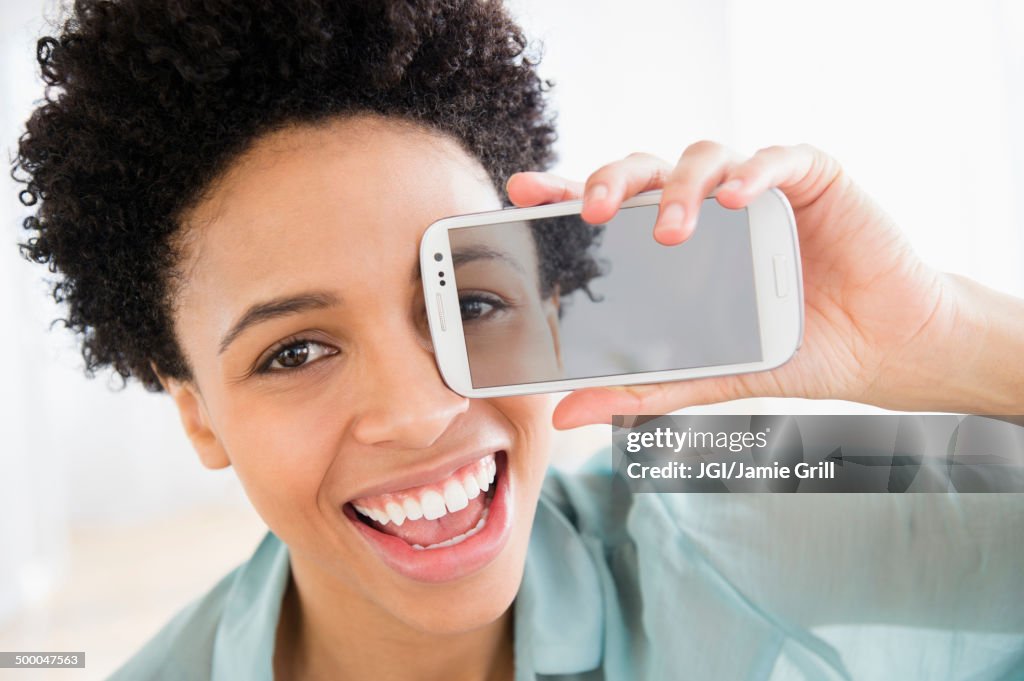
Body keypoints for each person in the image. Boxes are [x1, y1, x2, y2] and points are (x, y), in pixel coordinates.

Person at [13, 1, 1024, 679]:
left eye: (470, 303)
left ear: (551, 299)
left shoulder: (713, 484)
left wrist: (940, 335)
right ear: (196, 409)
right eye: (295, 352)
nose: (419, 411)